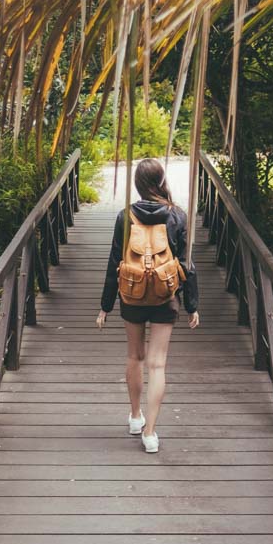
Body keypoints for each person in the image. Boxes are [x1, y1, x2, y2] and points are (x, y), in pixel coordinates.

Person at [96, 158, 200, 453]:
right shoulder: (177, 216)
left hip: (131, 294)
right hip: (166, 297)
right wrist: (192, 304)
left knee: (134, 357)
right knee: (157, 364)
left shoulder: (124, 217)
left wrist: (105, 305)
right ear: (161, 181)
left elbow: (115, 261)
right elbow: (187, 264)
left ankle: (134, 416)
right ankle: (151, 433)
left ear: (137, 185)